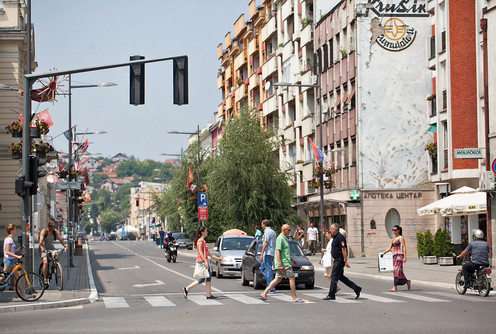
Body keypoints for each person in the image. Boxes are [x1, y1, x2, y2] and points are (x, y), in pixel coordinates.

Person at [259, 224, 304, 304]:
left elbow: (285, 252)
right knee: (292, 277)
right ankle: (294, 297)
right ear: (284, 230)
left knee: (278, 279)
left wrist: (292, 260)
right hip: (284, 263)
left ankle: (264, 293)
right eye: (289, 230)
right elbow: (278, 251)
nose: (290, 231)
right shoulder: (280, 239)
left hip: (285, 261)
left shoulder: (284, 238)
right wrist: (280, 264)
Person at [323, 223, 362, 300]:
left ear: (335, 229)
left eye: (331, 229)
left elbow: (343, 249)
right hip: (337, 259)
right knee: (340, 277)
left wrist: (345, 260)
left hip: (339, 260)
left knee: (333, 277)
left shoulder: (340, 237)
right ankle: (356, 288)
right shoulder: (335, 237)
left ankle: (331, 295)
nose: (330, 231)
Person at [183, 226, 223, 299]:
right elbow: (200, 252)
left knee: (205, 278)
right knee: (205, 278)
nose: (207, 232)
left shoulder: (203, 241)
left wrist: (217, 258)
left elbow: (208, 253)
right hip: (201, 262)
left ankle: (207, 294)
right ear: (202, 233)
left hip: (203, 261)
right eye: (206, 231)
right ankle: (189, 289)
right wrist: (205, 261)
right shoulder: (200, 241)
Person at [380, 225, 410, 291]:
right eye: (393, 230)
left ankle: (395, 287)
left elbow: (404, 247)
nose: (394, 231)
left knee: (396, 271)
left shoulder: (401, 238)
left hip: (400, 256)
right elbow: (389, 247)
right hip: (394, 256)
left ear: (398, 230)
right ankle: (407, 281)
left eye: (395, 230)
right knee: (398, 272)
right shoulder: (393, 239)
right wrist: (383, 253)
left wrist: (405, 257)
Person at [39, 221, 67, 286]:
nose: (52, 228)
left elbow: (60, 239)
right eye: (51, 226)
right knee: (45, 262)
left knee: (56, 255)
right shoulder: (44, 231)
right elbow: (40, 241)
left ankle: (55, 266)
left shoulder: (55, 232)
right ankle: (45, 279)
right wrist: (42, 248)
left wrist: (65, 246)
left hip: (51, 247)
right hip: (43, 247)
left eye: (54, 226)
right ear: (48, 226)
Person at [0, 224, 23, 290]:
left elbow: (10, 250)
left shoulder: (8, 238)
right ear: (11, 230)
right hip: (8, 261)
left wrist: (16, 250)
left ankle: (23, 295)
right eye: (15, 229)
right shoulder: (10, 239)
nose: (16, 230)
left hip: (10, 261)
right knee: (3, 277)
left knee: (17, 277)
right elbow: (7, 252)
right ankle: (23, 294)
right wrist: (17, 256)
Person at [259, 219, 276, 294]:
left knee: (268, 269)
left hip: (268, 253)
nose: (261, 225)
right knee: (262, 268)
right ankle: (270, 283)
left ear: (264, 224)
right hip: (271, 252)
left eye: (262, 224)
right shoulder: (273, 231)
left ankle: (271, 286)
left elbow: (265, 243)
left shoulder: (268, 232)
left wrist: (261, 254)